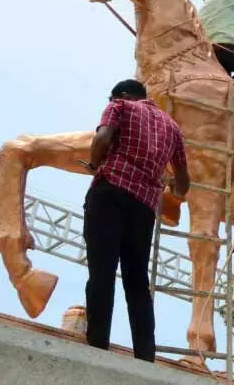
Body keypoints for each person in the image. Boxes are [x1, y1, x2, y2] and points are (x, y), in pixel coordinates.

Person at [81, 79, 190, 362]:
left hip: (111, 191)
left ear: (123, 94)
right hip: (143, 207)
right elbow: (183, 182)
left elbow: (103, 138)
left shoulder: (119, 106)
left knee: (102, 271)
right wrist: (171, 189)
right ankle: (145, 355)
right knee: (137, 282)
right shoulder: (173, 128)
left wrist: (94, 164)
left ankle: (96, 346)